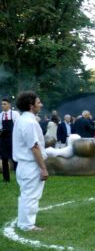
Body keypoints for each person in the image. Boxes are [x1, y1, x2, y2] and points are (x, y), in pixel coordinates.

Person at [12, 91, 48, 231]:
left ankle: (23, 222)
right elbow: (34, 147)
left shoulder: (22, 119)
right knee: (31, 195)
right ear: (31, 105)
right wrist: (43, 168)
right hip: (30, 164)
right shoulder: (29, 122)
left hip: (24, 164)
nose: (41, 105)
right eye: (38, 102)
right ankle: (27, 225)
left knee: (26, 195)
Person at [1, 98, 20, 183]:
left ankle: (19, 176)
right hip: (3, 140)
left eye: (4, 104)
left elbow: (18, 126)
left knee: (15, 159)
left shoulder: (15, 114)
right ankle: (6, 179)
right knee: (4, 159)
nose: (3, 106)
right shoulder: (0, 115)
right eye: (2, 104)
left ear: (9, 105)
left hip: (13, 139)